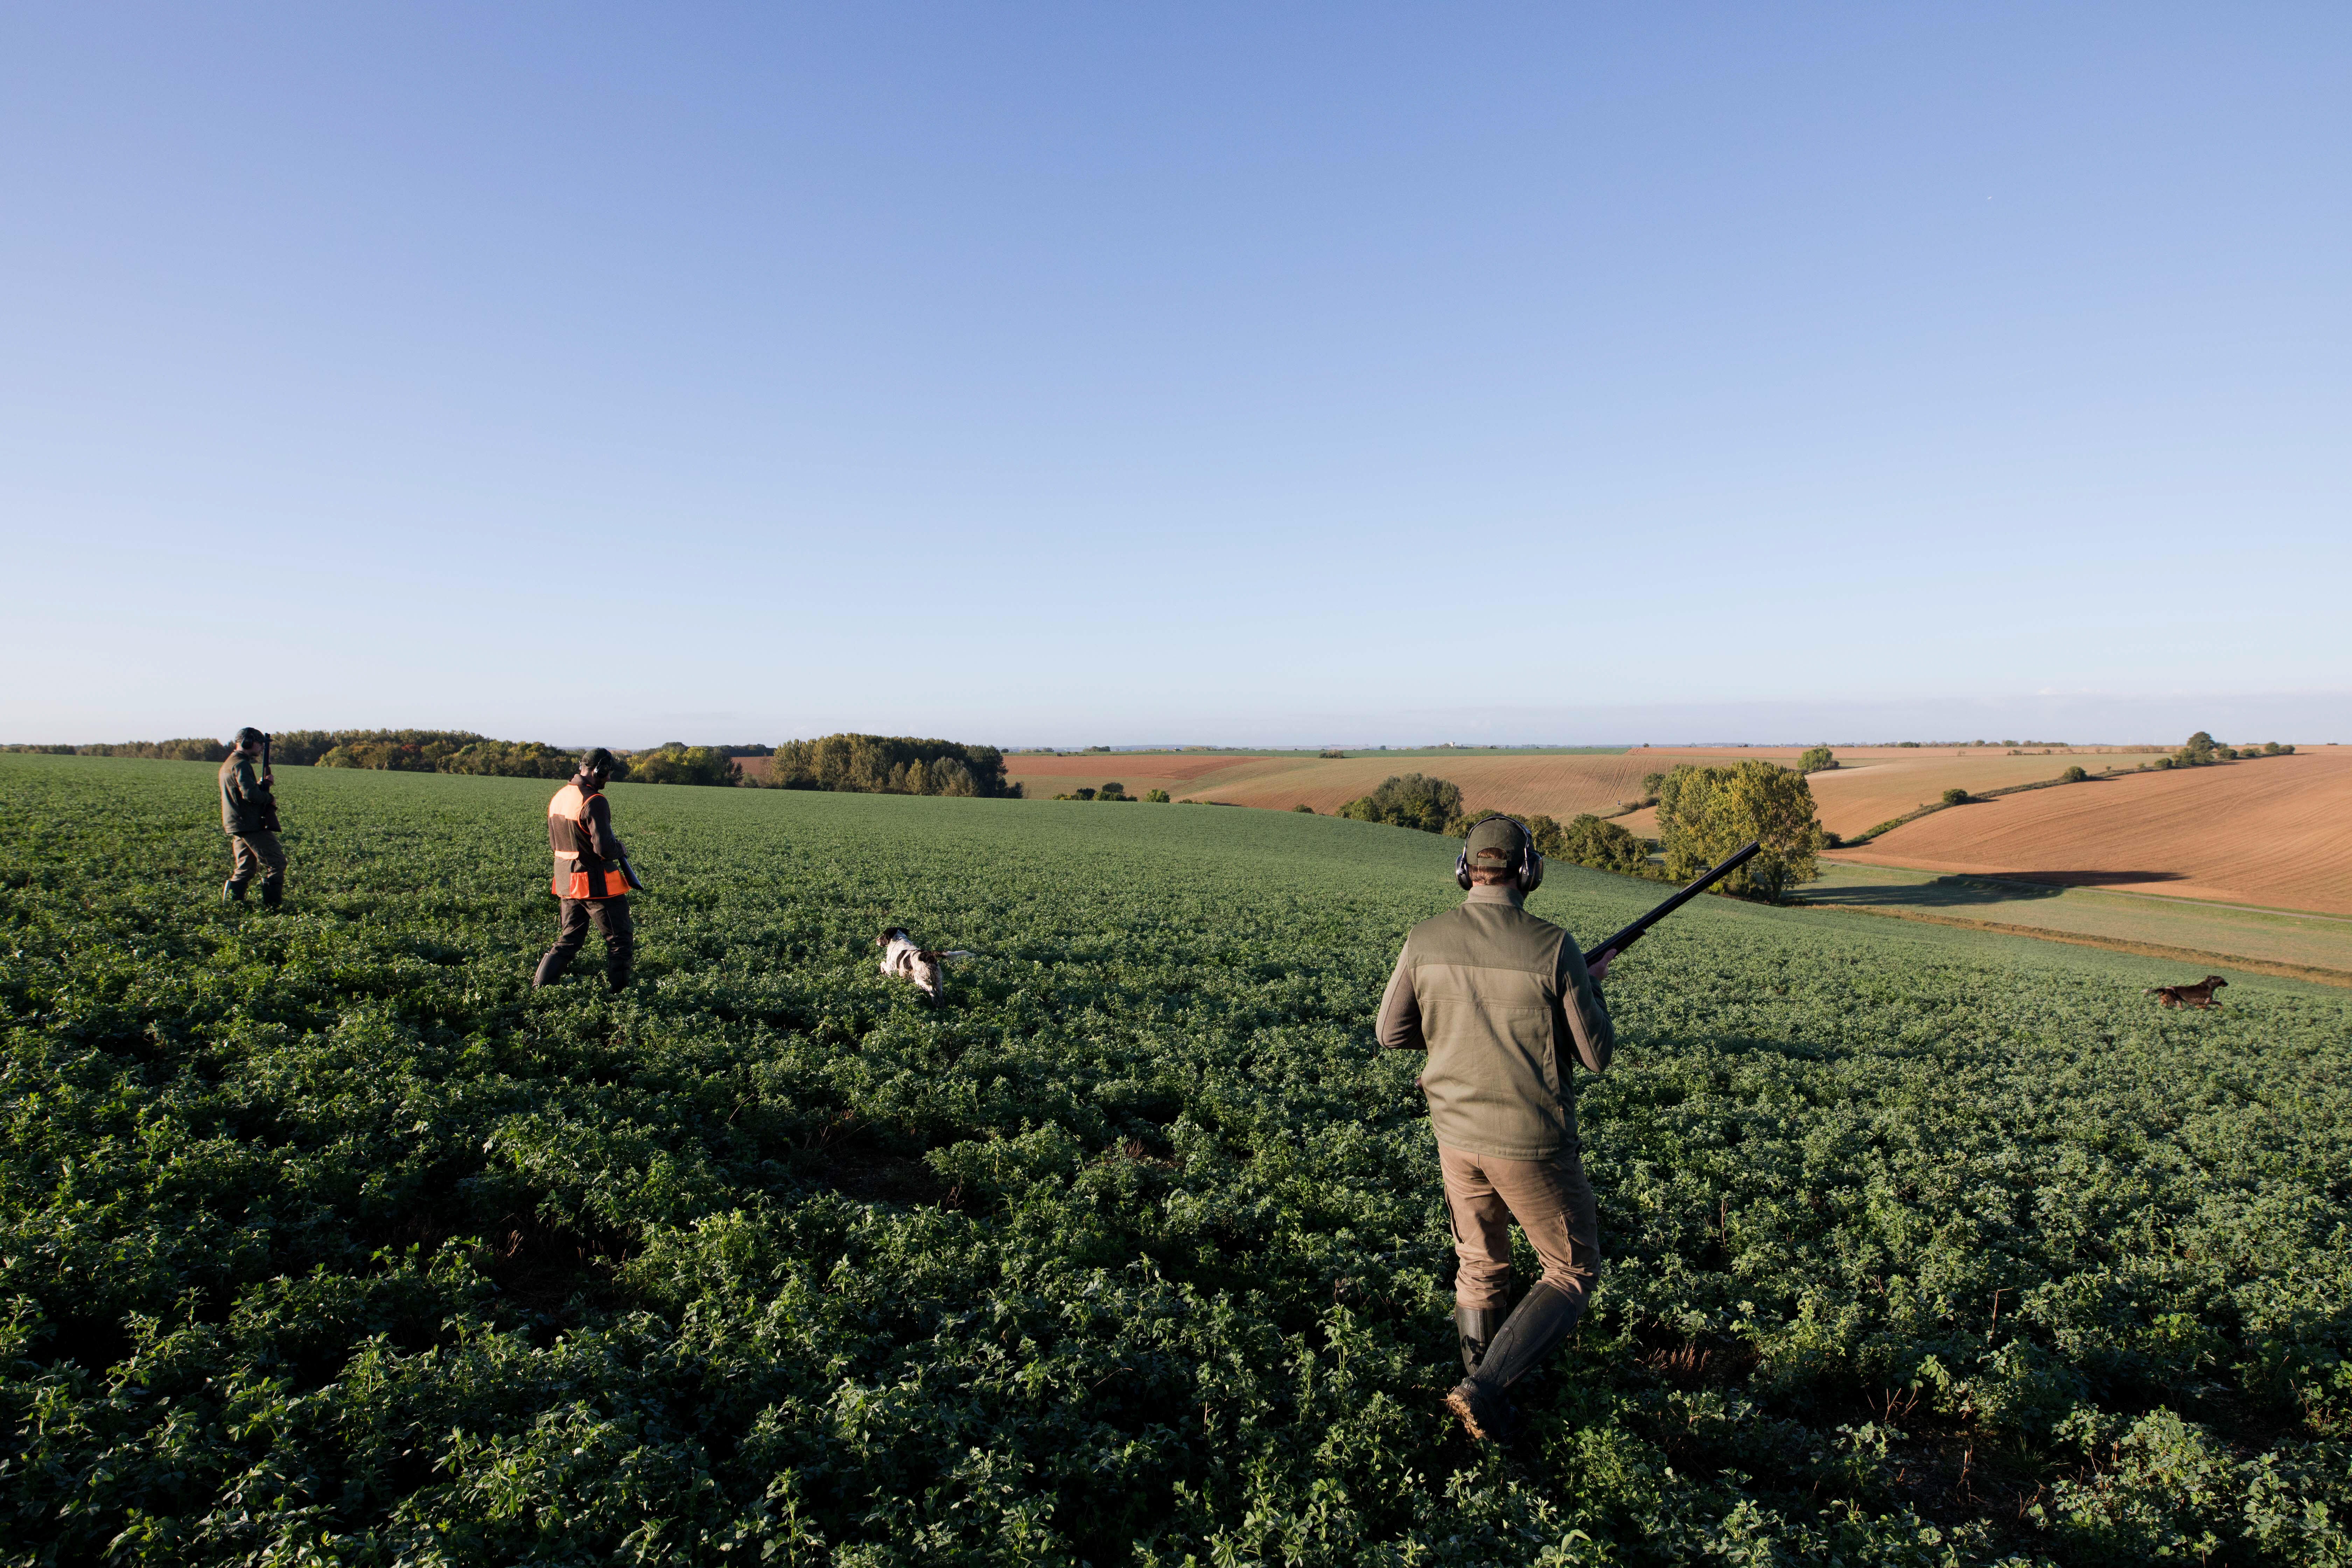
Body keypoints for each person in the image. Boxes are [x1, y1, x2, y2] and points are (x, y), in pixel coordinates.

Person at [1377, 814, 1617, 1442]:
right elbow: (1595, 1056)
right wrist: (1590, 992)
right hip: (1532, 1140)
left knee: (1479, 1265)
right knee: (1571, 1270)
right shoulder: (1552, 946)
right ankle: (1483, 1391)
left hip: (1456, 1135)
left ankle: (1480, 1409)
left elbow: (1390, 1033)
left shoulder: (1424, 940)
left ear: (1466, 870)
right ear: (1528, 873)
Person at [533, 749, 636, 992]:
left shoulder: (560, 797)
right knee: (619, 940)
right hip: (595, 884)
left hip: (566, 882)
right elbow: (603, 848)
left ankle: (540, 988)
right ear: (598, 770)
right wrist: (619, 849)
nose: (609, 779)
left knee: (569, 939)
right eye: (607, 773)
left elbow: (554, 843)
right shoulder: (594, 801)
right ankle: (621, 997)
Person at [217, 727, 285, 906]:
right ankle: (273, 909)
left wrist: (260, 785)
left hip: (238, 824)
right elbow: (250, 795)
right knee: (277, 862)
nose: (262, 748)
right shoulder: (241, 765)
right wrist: (269, 798)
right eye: (259, 743)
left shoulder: (230, 763)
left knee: (245, 868)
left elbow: (242, 791)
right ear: (248, 742)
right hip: (250, 823)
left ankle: (231, 907)